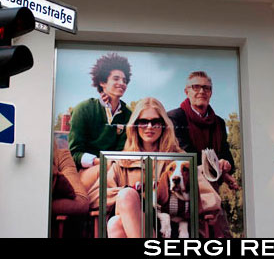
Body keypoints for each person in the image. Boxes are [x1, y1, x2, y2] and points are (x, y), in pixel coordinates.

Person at [87, 97, 222, 238]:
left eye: (156, 122)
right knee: (124, 203)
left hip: (171, 228)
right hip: (136, 223)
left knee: (116, 222)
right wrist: (133, 194)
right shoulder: (124, 161)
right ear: (135, 125)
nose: (149, 126)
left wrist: (174, 199)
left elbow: (210, 197)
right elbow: (95, 197)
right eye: (143, 121)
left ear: (164, 124)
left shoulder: (178, 158)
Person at [68, 53, 133, 191]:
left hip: (116, 171)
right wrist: (100, 161)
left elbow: (122, 151)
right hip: (87, 172)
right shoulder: (83, 109)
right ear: (102, 82)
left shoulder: (129, 115)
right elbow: (74, 153)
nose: (122, 83)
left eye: (125, 80)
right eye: (116, 78)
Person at [167, 71, 239, 191]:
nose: (201, 91)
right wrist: (220, 169)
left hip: (212, 188)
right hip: (184, 187)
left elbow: (226, 154)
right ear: (187, 92)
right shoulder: (175, 117)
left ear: (211, 93)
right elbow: (187, 154)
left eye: (206, 88)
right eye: (196, 87)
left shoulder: (219, 123)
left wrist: (225, 164)